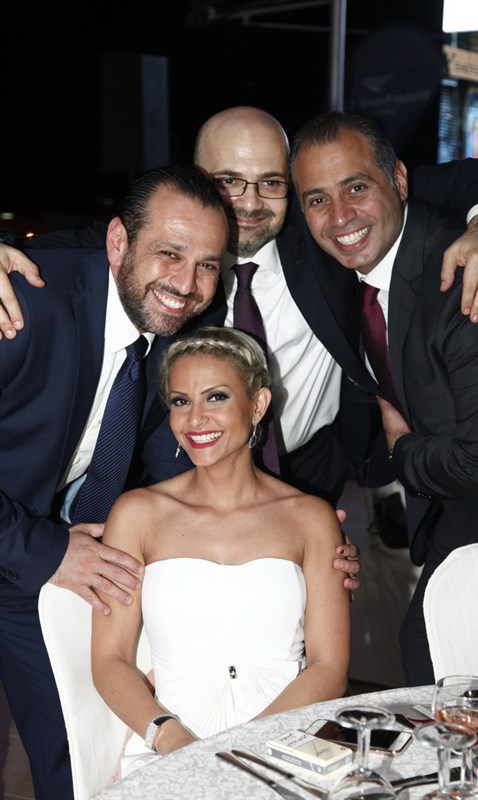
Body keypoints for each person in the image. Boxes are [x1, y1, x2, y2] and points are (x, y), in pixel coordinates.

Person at [0, 107, 478, 512]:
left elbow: (458, 179)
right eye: (227, 181)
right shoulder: (167, 257)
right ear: (197, 179)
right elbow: (60, 252)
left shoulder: (325, 232)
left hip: (311, 478)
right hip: (182, 481)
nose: (250, 203)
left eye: (271, 183)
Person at [0, 163, 230, 800]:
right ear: (118, 241)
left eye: (208, 265)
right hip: (31, 543)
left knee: (80, 756)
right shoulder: (21, 305)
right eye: (170, 253)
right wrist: (48, 549)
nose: (186, 284)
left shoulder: (174, 335)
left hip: (30, 558)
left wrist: (281, 532)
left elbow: (176, 468)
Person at [289, 110, 478, 685]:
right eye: (318, 199)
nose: (340, 216)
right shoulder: (354, 259)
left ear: (398, 181)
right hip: (460, 512)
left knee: (441, 672)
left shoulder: (471, 278)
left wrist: (403, 450)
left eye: (356, 187)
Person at [91, 325, 350, 778]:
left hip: (288, 738)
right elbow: (108, 660)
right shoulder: (137, 514)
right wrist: (172, 740)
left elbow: (329, 668)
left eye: (216, 397)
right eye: (180, 401)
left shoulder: (310, 518)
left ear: (258, 404)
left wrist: (246, 749)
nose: (195, 420)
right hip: (170, 745)